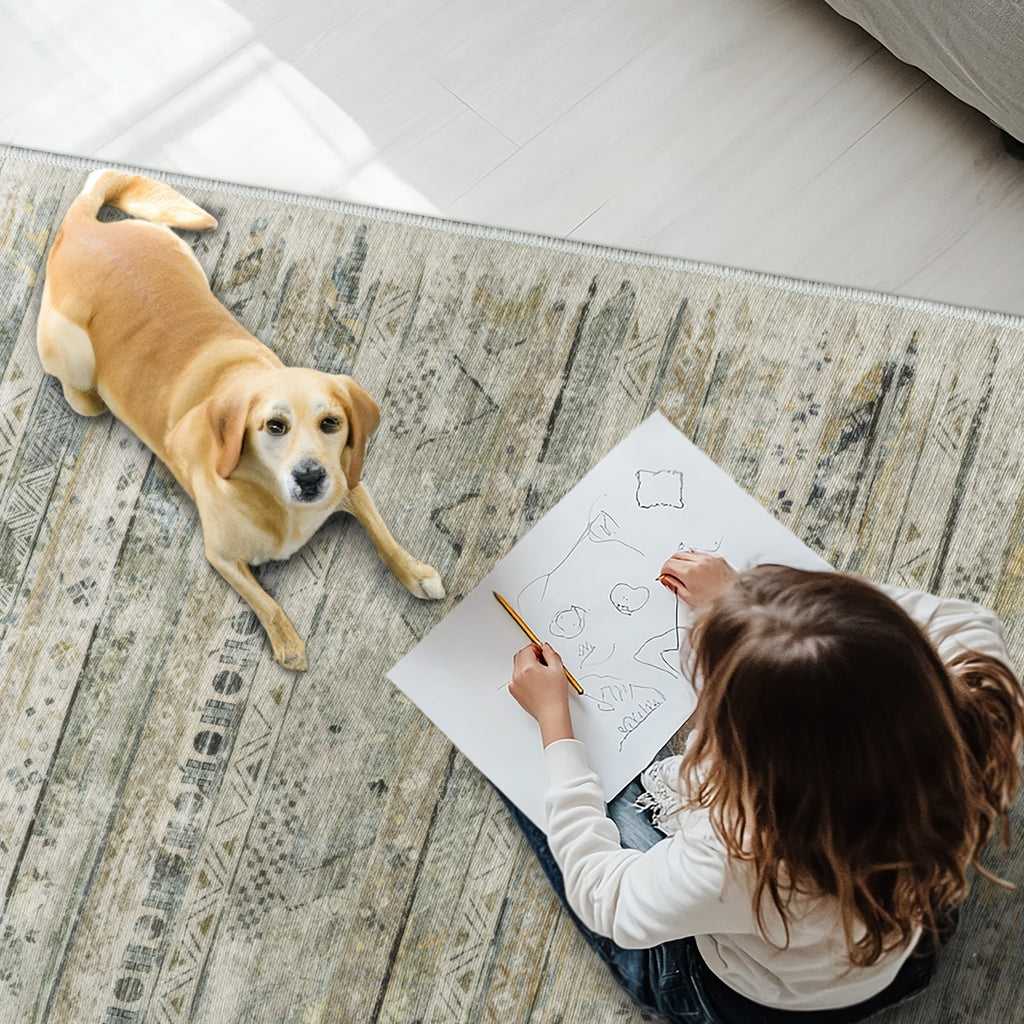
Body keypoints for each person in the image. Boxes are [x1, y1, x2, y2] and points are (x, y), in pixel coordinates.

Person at [505, 551, 1024, 1024]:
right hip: (907, 946)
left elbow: (608, 897)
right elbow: (867, 629)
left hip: (761, 1001)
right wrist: (751, 607)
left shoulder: (737, 853)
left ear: (759, 761)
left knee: (566, 791)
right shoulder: (986, 693)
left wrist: (555, 723)